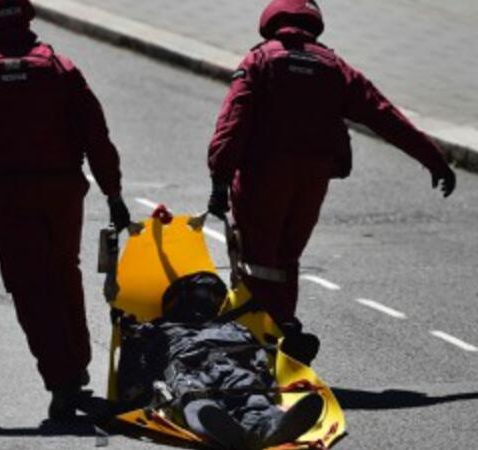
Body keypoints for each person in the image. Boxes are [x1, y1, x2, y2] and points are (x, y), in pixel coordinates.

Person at [0, 0, 130, 420]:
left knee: (30, 286)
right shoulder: (60, 68)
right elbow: (96, 134)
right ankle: (76, 364)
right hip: (63, 191)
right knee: (64, 273)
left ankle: (61, 380)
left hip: (10, 192)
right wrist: (114, 193)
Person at [206, 0, 456, 330]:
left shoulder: (259, 60)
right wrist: (433, 159)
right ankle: (283, 328)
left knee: (257, 258)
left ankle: (261, 335)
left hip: (263, 175)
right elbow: (384, 115)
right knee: (287, 257)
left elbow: (232, 123)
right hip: (313, 179)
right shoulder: (334, 68)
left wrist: (220, 179)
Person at [116, 272, 324, 450]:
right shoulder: (158, 328)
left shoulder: (230, 325)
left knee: (246, 389)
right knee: (198, 395)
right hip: (191, 367)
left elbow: (258, 353)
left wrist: (290, 347)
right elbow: (136, 361)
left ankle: (265, 427)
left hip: (229, 365)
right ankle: (239, 427)